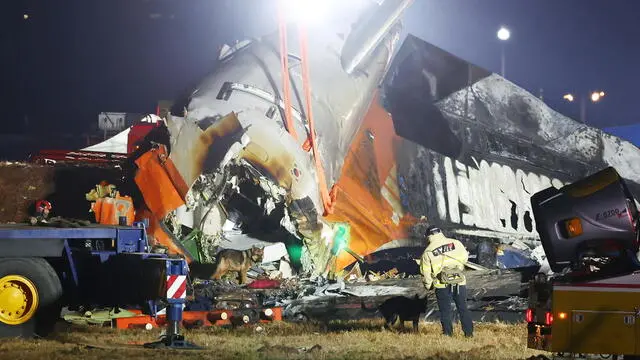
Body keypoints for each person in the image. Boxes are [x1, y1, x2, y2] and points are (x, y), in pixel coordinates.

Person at [419, 226, 473, 337]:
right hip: (459, 282)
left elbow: (426, 272)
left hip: (441, 285)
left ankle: (448, 334)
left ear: (429, 236)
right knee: (463, 308)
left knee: (445, 311)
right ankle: (469, 334)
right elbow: (465, 258)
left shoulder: (428, 251)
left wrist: (428, 286)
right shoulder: (456, 243)